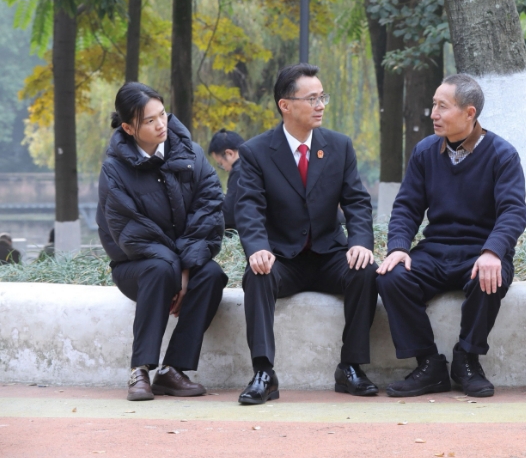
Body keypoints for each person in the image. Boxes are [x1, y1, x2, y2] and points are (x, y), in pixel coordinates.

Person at [376, 74, 526, 398]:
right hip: (436, 250)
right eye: (434, 105)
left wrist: (493, 252)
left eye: (442, 107)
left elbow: (513, 212)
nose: (433, 114)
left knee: (490, 279)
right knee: (392, 277)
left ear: (469, 113)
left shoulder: (502, 154)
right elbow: (406, 207)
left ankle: (467, 360)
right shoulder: (425, 151)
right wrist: (398, 248)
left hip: (481, 250)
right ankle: (428, 365)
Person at [235, 64, 378, 405]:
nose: (320, 105)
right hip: (282, 258)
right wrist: (257, 248)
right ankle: (264, 373)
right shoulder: (256, 152)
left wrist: (360, 242)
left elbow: (357, 202)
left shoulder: (339, 146)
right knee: (257, 276)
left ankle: (351, 367)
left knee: (365, 271)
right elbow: (249, 207)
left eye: (322, 97)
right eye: (312, 98)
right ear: (285, 105)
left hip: (329, 254)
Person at [97, 82, 228, 402]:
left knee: (211, 275)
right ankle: (139, 370)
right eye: (149, 120)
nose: (161, 125)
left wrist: (185, 269)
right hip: (136, 266)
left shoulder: (191, 154)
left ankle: (173, 370)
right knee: (158, 269)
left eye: (162, 115)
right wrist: (176, 269)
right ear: (128, 128)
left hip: (181, 263)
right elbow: (131, 233)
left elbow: (209, 209)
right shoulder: (114, 169)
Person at [208, 129, 245, 231]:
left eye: (221, 164)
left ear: (230, 154)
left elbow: (228, 214)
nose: (225, 169)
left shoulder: (239, 171)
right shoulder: (255, 162)